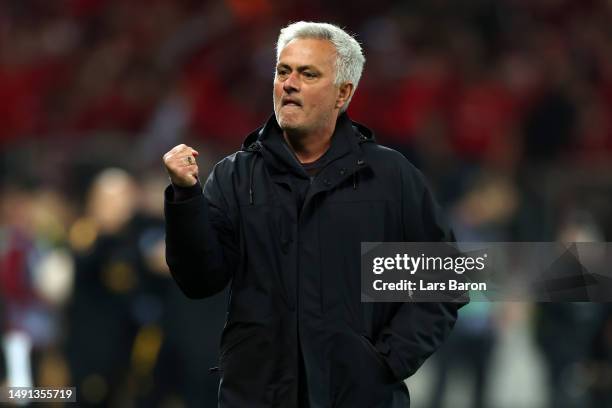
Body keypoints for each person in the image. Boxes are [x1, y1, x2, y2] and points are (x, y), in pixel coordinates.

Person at [163, 21, 464, 408]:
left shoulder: (389, 177)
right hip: (256, 398)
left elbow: (442, 279)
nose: (289, 83)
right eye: (283, 71)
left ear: (343, 93)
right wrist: (186, 198)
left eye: (308, 74)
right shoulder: (236, 175)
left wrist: (386, 360)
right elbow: (200, 280)